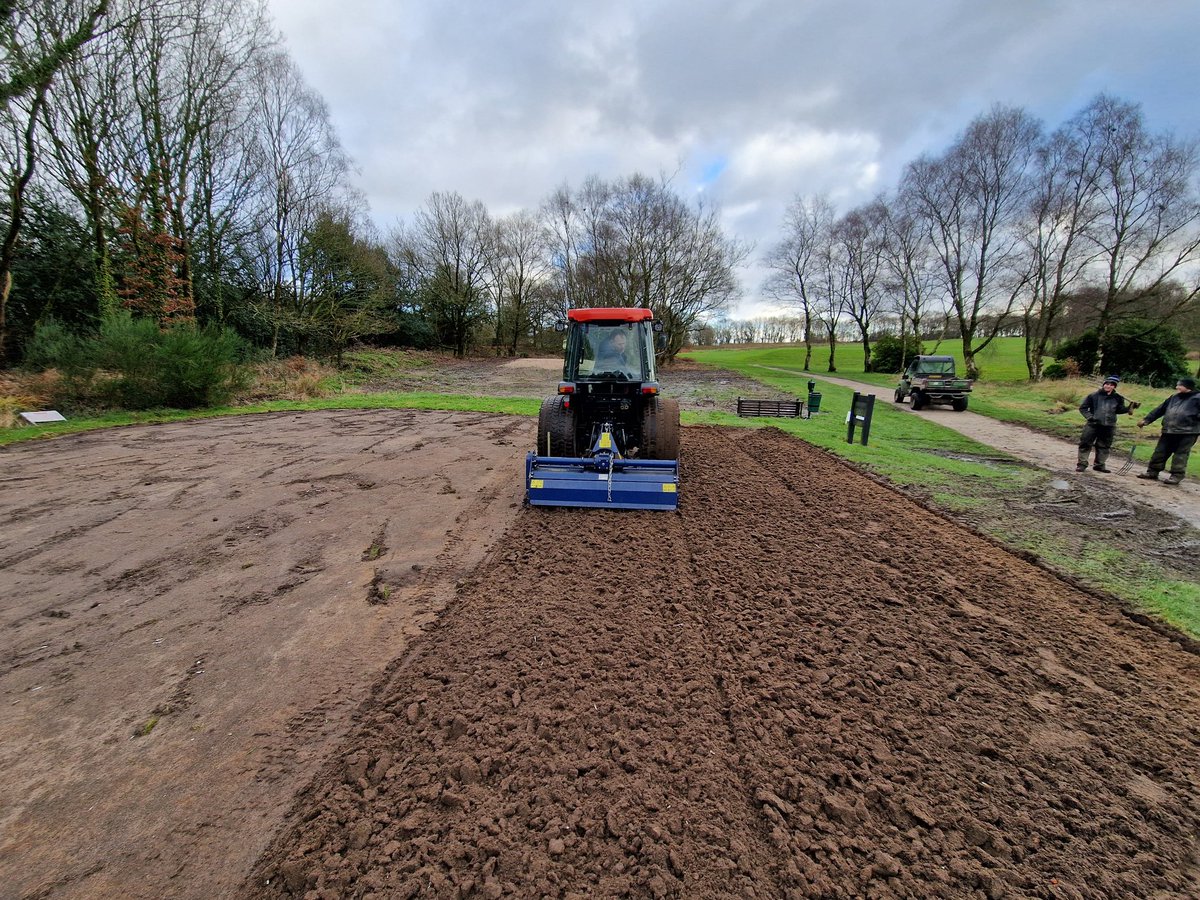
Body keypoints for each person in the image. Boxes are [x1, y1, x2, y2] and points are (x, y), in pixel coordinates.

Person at [1136, 376, 1200, 485]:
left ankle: (1176, 476)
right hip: (1168, 430)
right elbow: (1159, 410)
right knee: (1160, 452)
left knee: (1180, 455)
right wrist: (1146, 420)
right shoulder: (1173, 397)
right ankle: (1152, 472)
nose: (1176, 387)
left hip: (1188, 432)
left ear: (1188, 387)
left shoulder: (1198, 398)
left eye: (1179, 385)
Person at [1076, 375, 1137, 472]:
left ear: (1114, 387)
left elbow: (1119, 410)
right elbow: (1083, 408)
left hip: (1109, 426)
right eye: (1107, 384)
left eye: (1111, 385)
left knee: (1104, 445)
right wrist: (1090, 417)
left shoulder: (1118, 398)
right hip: (1093, 424)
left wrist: (1131, 406)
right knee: (1085, 443)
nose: (1108, 386)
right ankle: (1082, 464)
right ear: (1104, 385)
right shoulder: (1093, 396)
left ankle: (1099, 465)